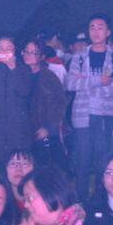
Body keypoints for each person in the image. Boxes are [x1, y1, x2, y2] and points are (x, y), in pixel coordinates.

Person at [66, 13, 113, 198]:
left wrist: (86, 83)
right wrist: (98, 81)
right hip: (82, 116)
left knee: (103, 161)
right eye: (92, 27)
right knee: (82, 162)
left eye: (100, 27)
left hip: (105, 117)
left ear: (108, 32)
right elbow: (70, 84)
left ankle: (102, 202)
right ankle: (81, 203)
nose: (96, 31)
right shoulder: (79, 57)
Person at [0, 36, 34, 175]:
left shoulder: (24, 69)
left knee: (16, 167)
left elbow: (24, 90)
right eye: (0, 49)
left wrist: (13, 68)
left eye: (8, 48)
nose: (4, 52)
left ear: (15, 51)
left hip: (17, 128)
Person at [23, 38, 68, 168]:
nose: (28, 55)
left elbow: (59, 104)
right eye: (26, 51)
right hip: (23, 130)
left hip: (42, 129)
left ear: (42, 56)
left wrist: (48, 128)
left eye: (33, 52)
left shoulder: (49, 77)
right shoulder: (19, 74)